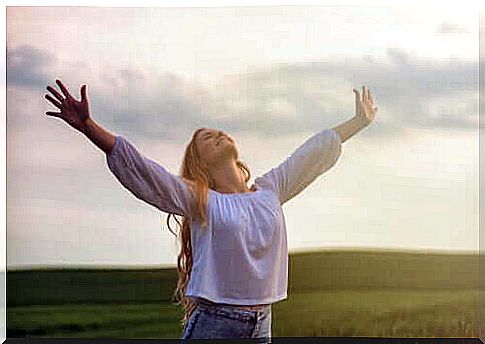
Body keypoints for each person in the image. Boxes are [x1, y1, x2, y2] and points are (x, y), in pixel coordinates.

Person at [44, 79, 378, 342]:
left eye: (217, 132)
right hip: (216, 323)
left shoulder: (271, 189)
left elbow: (313, 153)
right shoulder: (200, 199)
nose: (216, 134)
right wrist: (88, 126)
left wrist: (359, 122)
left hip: (262, 322)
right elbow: (144, 170)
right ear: (199, 162)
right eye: (206, 137)